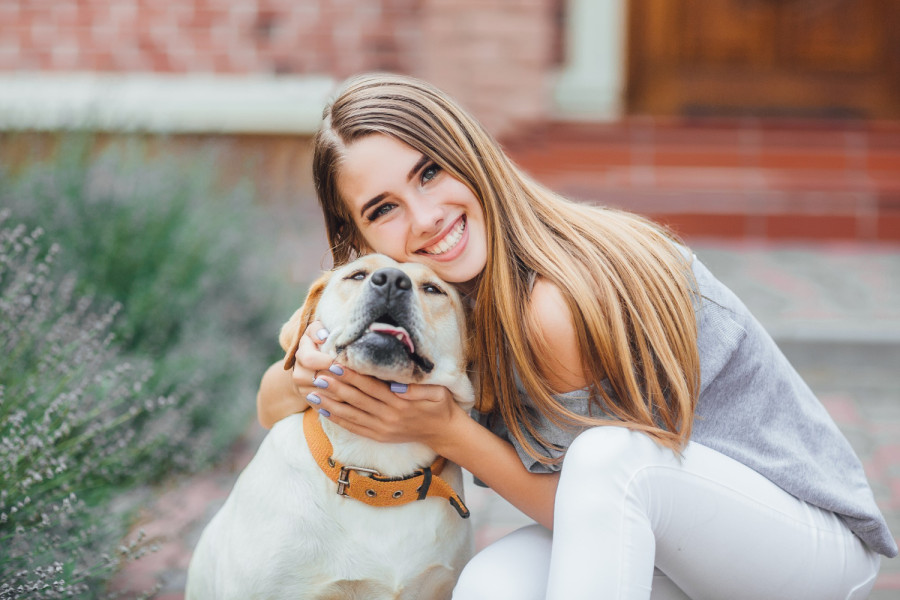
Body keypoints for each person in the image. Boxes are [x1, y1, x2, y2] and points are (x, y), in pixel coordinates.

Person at [256, 73, 896, 599]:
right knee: (491, 588)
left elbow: (597, 501)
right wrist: (314, 365)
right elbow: (270, 405)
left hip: (806, 550)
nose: (424, 218)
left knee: (607, 456)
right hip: (676, 541)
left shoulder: (549, 304)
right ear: (360, 239)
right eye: (384, 209)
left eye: (429, 173)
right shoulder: (433, 306)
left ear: (472, 155)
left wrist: (446, 433)